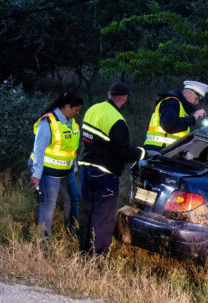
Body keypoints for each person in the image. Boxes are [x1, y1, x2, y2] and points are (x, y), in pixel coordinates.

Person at [77, 82, 147, 256]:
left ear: (109, 93)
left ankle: (84, 253)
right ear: (124, 98)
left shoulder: (92, 109)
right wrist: (142, 153)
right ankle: (97, 258)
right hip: (104, 175)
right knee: (104, 217)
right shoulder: (117, 120)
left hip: (86, 169)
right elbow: (123, 153)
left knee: (88, 212)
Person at [29, 91, 83, 237]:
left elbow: (72, 149)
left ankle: (72, 232)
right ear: (67, 106)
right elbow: (38, 150)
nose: (77, 113)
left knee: (74, 198)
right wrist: (36, 174)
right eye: (76, 110)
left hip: (67, 170)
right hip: (49, 172)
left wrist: (74, 168)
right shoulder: (47, 122)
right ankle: (42, 240)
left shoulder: (72, 123)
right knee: (48, 205)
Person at [143, 80, 208, 151]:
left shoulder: (182, 108)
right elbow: (169, 126)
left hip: (166, 153)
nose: (197, 103)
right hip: (158, 152)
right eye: (196, 98)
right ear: (187, 93)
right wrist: (193, 118)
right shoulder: (171, 102)